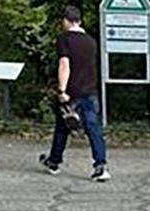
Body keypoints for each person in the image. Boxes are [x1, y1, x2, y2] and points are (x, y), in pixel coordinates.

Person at [39, 6, 110, 181]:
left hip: (72, 92)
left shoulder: (64, 39)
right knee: (93, 128)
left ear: (66, 20)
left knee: (62, 127)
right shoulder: (91, 41)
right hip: (90, 90)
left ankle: (54, 161)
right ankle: (100, 166)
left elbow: (65, 65)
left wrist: (62, 90)